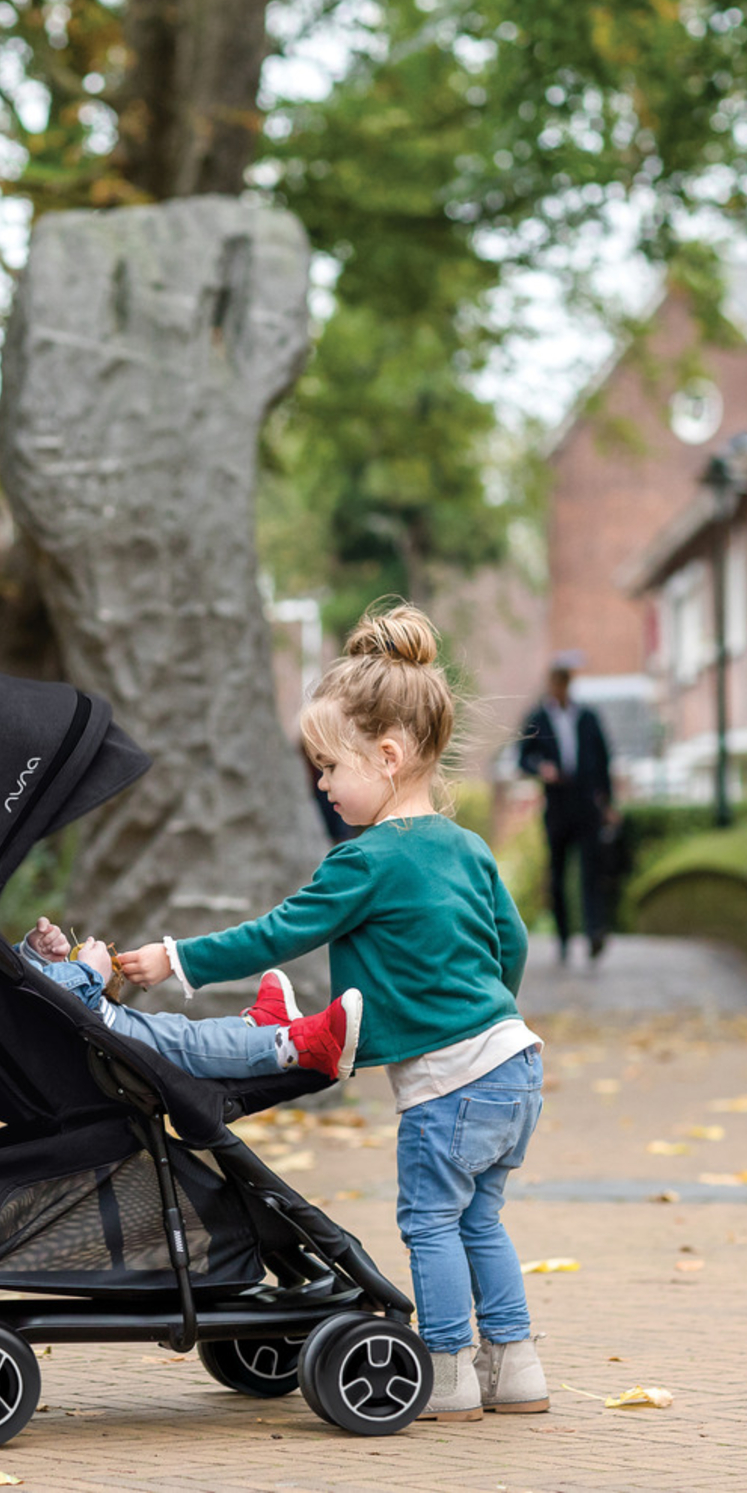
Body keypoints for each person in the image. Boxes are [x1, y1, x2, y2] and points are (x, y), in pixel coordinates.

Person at [116, 602, 548, 1422]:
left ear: (386, 757)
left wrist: (177, 960)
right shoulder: (469, 846)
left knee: (429, 1223)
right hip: (515, 1063)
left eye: (327, 767)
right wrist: (491, 1014)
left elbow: (280, 931)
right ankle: (517, 1366)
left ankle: (450, 1370)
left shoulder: (365, 861)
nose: (320, 784)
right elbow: (512, 944)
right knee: (481, 1223)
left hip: (449, 1083)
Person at [16, 919, 361, 1082]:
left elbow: (13, 987)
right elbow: (33, 1007)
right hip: (90, 1045)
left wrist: (34, 954)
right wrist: (91, 972)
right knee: (185, 1044)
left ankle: (257, 1027)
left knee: (180, 1030)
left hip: (94, 1025)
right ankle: (301, 1045)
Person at [516, 655, 615, 963]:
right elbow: (522, 758)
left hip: (586, 803)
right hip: (557, 804)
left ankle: (594, 932)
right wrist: (541, 767)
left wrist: (608, 803)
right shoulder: (537, 718)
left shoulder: (587, 716)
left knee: (591, 870)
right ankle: (562, 939)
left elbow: (603, 761)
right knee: (558, 874)